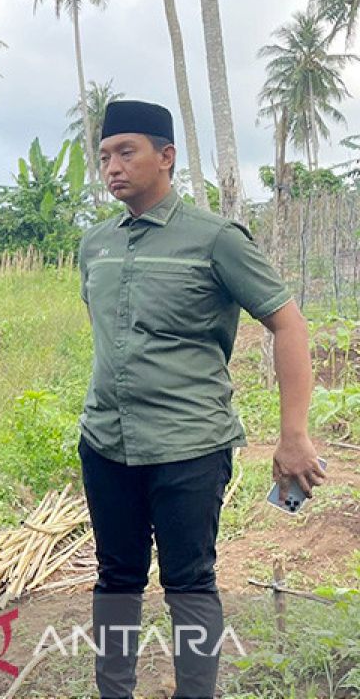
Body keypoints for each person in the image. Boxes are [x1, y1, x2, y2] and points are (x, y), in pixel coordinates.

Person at [79, 100, 326, 698]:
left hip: (188, 446)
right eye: (105, 156)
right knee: (116, 578)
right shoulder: (95, 245)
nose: (112, 166)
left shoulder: (215, 238)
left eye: (126, 152)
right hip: (107, 443)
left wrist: (293, 434)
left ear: (166, 157)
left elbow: (288, 326)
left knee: (189, 580)